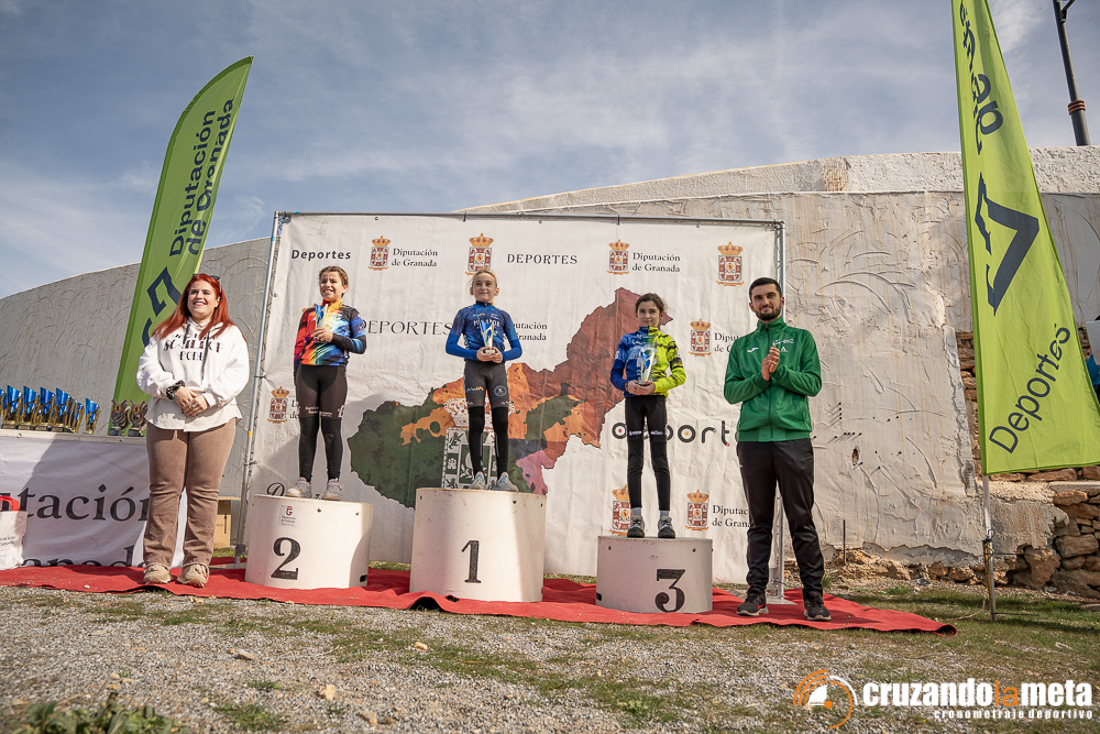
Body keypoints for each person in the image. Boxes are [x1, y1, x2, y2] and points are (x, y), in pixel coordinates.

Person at [723, 277, 830, 621]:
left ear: (782, 300)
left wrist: (779, 371)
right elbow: (731, 392)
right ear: (751, 305)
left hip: (792, 437)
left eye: (770, 295)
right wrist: (762, 378)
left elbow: (813, 383)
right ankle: (756, 594)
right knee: (759, 522)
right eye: (758, 298)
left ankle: (813, 598)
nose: (765, 301)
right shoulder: (742, 346)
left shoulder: (801, 339)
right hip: (753, 440)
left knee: (801, 519)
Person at [137, 274, 249, 588]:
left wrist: (208, 398)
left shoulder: (230, 334)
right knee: (164, 489)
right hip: (167, 416)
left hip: (215, 417)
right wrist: (174, 389)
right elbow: (147, 369)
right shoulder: (164, 331)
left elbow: (238, 372)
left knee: (204, 492)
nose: (199, 297)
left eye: (206, 293)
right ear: (185, 298)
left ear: (217, 300)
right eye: (193, 292)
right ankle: (157, 563)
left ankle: (196, 564)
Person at [286, 266, 366, 502]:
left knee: (331, 431)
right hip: (306, 374)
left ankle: (334, 484)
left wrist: (334, 338)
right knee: (307, 430)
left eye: (333, 281)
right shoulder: (309, 313)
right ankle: (304, 482)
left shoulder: (350, 313)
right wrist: (297, 376)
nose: (327, 285)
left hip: (334, 374)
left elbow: (361, 345)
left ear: (344, 287)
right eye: (323, 281)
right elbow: (298, 347)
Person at [610, 293, 686, 539]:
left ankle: (665, 520)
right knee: (635, 460)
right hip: (633, 401)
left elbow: (680, 375)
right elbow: (614, 375)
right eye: (642, 311)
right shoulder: (627, 340)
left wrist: (656, 386)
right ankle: (636, 519)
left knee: (660, 460)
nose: (647, 315)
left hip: (656, 401)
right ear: (636, 315)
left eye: (652, 311)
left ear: (661, 316)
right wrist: (626, 385)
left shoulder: (667, 341)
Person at [445, 267, 522, 491]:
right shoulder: (464, 314)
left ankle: (503, 478)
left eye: (488, 284)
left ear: (496, 290)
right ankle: (478, 476)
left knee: (502, 422)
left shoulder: (504, 316)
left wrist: (503, 356)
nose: (483, 287)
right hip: (474, 370)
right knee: (477, 421)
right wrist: (474, 354)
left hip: (497, 371)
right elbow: (450, 346)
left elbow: (517, 349)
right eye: (478, 284)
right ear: (472, 290)